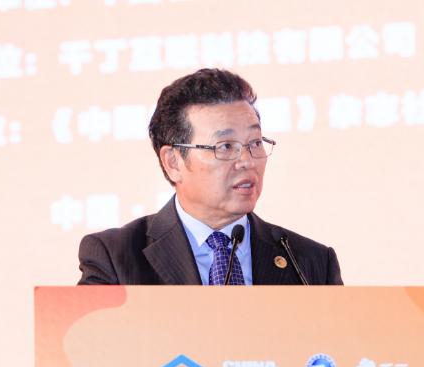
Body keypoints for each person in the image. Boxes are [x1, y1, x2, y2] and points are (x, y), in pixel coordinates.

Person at [77, 68, 342, 285]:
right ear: (173, 162)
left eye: (255, 142)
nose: (247, 161)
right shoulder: (115, 258)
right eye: (225, 146)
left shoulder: (310, 262)